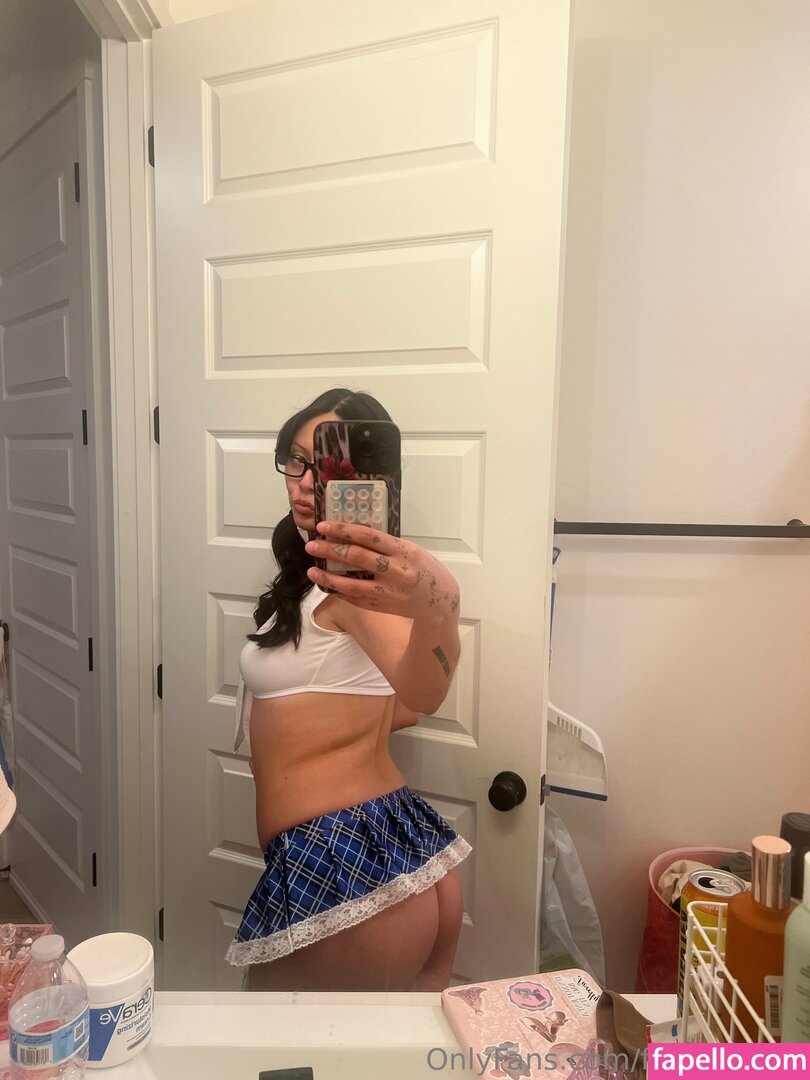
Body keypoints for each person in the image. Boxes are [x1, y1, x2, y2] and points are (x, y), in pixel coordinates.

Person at [226, 388, 471, 991]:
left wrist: (441, 607)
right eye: (297, 459)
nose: (306, 481)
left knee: (271, 1038)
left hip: (344, 864)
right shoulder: (321, 582)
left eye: (328, 464)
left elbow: (424, 693)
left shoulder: (354, 591)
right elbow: (402, 708)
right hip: (389, 845)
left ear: (369, 479)